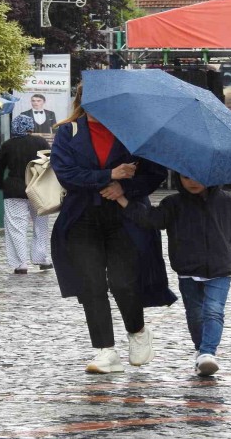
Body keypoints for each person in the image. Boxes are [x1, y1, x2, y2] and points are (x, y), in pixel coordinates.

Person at [50, 84, 176, 374]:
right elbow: (66, 174)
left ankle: (137, 331)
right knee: (91, 284)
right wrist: (109, 174)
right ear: (82, 100)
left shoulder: (134, 132)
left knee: (123, 282)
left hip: (125, 216)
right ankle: (105, 350)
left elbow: (154, 173)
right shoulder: (68, 132)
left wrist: (124, 187)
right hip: (81, 218)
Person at [113, 173, 231, 377]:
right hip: (187, 269)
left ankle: (208, 352)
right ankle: (201, 351)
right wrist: (123, 200)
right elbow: (151, 219)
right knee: (195, 313)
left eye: (197, 177)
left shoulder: (230, 202)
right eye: (186, 177)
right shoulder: (174, 203)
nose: (192, 182)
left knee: (213, 310)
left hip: (220, 269)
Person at [0, 115, 54, 274]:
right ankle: (42, 259)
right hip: (38, 190)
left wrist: (1, 184)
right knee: (41, 225)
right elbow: (50, 164)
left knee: (17, 227)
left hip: (14, 190)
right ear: (30, 127)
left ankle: (21, 263)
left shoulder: (8, 145)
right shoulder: (40, 142)